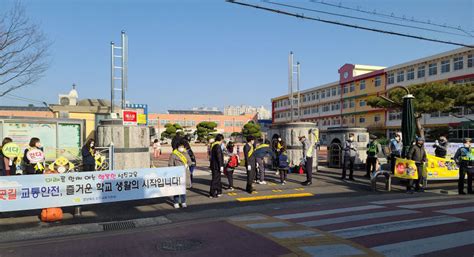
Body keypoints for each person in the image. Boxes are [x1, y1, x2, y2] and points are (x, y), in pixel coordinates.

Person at [168, 140, 192, 208]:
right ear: (177, 147)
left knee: (183, 188)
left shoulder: (186, 153)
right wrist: (174, 171)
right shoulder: (174, 154)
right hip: (176, 173)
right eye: (180, 147)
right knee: (176, 188)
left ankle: (183, 201)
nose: (181, 148)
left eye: (182, 147)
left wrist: (187, 165)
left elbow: (190, 162)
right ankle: (176, 202)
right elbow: (170, 164)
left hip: (184, 173)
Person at [209, 134, 224, 198]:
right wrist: (221, 165)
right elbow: (219, 156)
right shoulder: (217, 146)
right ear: (221, 139)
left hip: (214, 165)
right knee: (215, 179)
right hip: (216, 166)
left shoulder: (213, 145)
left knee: (218, 179)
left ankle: (219, 191)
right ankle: (212, 193)